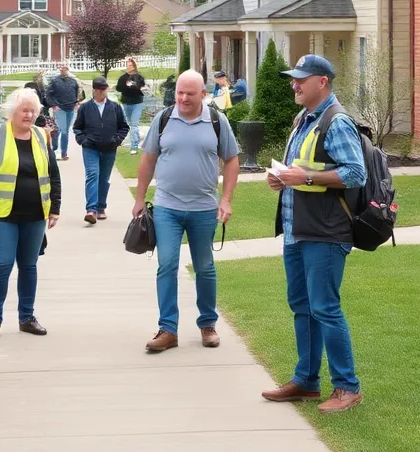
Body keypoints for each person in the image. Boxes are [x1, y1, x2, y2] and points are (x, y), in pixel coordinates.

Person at [262, 54, 366, 414]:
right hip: (297, 230)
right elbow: (303, 169)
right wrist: (283, 179)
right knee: (303, 308)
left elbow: (356, 173)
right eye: (293, 78)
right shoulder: (303, 120)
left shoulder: (336, 122)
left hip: (325, 232)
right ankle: (306, 381)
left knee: (325, 308)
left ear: (322, 81)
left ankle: (348, 387)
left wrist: (303, 177)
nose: (294, 84)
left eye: (301, 79)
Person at [132, 70, 239, 353]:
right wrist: (140, 197)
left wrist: (226, 199)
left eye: (189, 94)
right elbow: (148, 159)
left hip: (204, 208)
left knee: (204, 267)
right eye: (179, 92)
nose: (183, 98)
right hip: (168, 207)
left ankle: (207, 324)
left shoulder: (217, 120)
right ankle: (168, 329)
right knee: (166, 264)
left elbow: (231, 159)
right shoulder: (164, 119)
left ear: (203, 94)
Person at [0, 86, 61, 340]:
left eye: (33, 111)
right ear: (13, 111)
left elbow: (53, 174)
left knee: (29, 265)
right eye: (24, 110)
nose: (29, 115)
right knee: (2, 264)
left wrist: (55, 208)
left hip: (35, 214)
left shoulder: (42, 136)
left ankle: (27, 317)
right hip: (0, 214)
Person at [73, 76, 129, 224]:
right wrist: (83, 140)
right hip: (90, 147)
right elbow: (77, 127)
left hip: (109, 148)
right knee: (93, 175)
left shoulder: (115, 107)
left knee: (104, 178)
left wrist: (117, 140)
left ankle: (101, 207)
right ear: (95, 91)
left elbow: (124, 126)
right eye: (100, 90)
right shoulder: (85, 108)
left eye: (104, 89)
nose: (103, 92)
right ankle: (91, 209)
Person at [45, 64, 81, 160]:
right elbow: (48, 94)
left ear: (67, 69)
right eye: (62, 68)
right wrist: (54, 105)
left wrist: (76, 103)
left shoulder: (73, 82)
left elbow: (77, 93)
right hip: (60, 108)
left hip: (70, 108)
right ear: (60, 70)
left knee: (65, 131)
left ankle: (63, 152)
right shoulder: (55, 81)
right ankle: (58, 151)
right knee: (63, 130)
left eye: (65, 68)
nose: (63, 70)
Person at [115, 58, 149, 155]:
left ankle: (134, 146)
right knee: (130, 124)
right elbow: (118, 88)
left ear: (134, 66)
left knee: (134, 125)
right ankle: (137, 140)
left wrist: (134, 86)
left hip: (137, 103)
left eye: (130, 65)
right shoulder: (123, 78)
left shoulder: (138, 77)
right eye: (128, 65)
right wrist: (126, 86)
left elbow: (142, 86)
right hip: (126, 103)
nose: (128, 67)